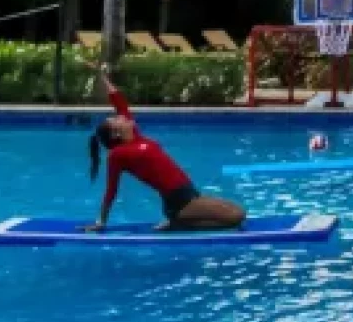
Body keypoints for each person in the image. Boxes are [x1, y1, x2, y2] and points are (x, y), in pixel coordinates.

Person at [86, 76, 245, 232]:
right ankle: (178, 222)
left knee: (237, 210)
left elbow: (119, 102)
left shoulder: (135, 137)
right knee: (237, 216)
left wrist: (102, 76)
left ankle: (181, 221)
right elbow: (111, 190)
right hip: (178, 201)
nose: (121, 116)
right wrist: (101, 222)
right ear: (116, 134)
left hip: (190, 193)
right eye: (116, 119)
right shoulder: (117, 154)